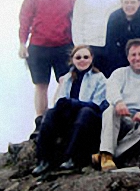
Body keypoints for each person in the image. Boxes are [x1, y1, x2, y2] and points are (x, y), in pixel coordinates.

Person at [18, 0, 77, 136]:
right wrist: (22, 43)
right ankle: (41, 121)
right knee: (41, 85)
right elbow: (25, 18)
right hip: (39, 45)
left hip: (63, 45)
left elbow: (79, 18)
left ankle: (58, 117)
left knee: (65, 82)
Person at [32, 45, 107, 175]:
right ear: (72, 59)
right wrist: (66, 105)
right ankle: (43, 160)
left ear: (91, 59)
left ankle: (72, 158)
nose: (82, 60)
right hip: (70, 116)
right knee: (50, 113)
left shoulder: (99, 78)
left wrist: (74, 103)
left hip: (90, 120)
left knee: (85, 112)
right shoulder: (67, 78)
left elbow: (97, 104)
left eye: (86, 57)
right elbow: (60, 100)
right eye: (78, 57)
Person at [97, 39, 140, 170]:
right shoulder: (119, 73)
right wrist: (119, 102)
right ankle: (106, 154)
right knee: (110, 110)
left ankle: (109, 155)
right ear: (128, 57)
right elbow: (111, 90)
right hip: (121, 117)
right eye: (133, 55)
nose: (137, 58)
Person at [72, 0, 121, 77]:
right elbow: (77, 26)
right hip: (89, 48)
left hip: (110, 48)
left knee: (109, 82)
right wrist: (81, 50)